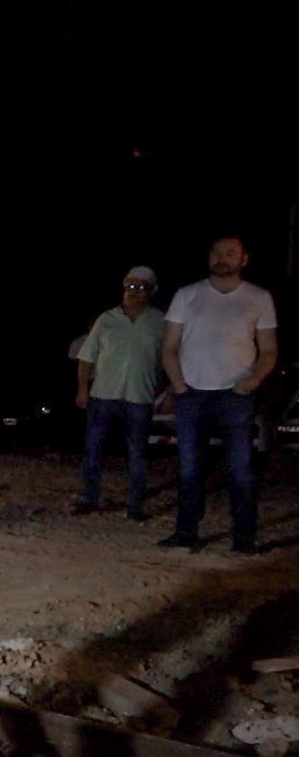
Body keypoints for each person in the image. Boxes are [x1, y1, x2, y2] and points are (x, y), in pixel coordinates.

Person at [159, 236, 278, 554]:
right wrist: (179, 385)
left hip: (236, 395)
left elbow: (268, 350)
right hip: (192, 393)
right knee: (188, 468)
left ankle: (244, 536)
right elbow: (169, 347)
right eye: (216, 253)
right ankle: (186, 532)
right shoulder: (187, 295)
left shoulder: (259, 297)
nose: (221, 258)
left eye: (230, 253)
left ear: (244, 259)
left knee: (241, 469)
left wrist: (255, 379)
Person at [73, 267, 167, 519]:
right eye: (130, 287)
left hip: (140, 395)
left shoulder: (161, 322)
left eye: (140, 288)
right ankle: (90, 497)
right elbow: (87, 356)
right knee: (93, 448)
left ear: (152, 291)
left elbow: (169, 358)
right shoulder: (107, 320)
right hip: (104, 393)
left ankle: (135, 505)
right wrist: (83, 388)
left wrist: (170, 392)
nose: (134, 292)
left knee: (136, 453)